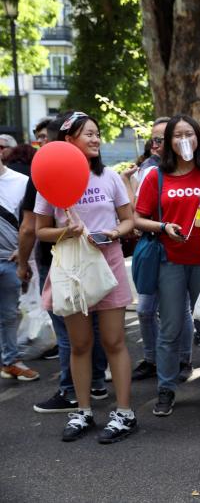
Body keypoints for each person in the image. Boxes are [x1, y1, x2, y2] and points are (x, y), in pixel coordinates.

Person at [35, 111, 137, 443]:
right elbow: (41, 231)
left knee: (113, 341)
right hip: (71, 270)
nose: (94, 139)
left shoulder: (109, 177)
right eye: (87, 134)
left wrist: (112, 231)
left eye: (96, 133)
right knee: (79, 344)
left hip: (108, 266)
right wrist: (66, 232)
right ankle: (83, 411)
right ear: (69, 141)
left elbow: (128, 221)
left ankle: (124, 412)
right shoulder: (49, 178)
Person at [134, 114, 200, 417]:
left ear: (198, 138)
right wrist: (162, 226)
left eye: (190, 133)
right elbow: (137, 218)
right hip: (170, 261)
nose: (184, 139)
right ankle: (166, 389)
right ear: (167, 141)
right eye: (177, 135)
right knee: (170, 329)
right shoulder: (155, 176)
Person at [22, 115, 109, 413]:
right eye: (40, 140)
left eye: (46, 138)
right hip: (58, 263)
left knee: (82, 335)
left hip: (90, 263)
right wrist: (64, 233)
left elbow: (123, 216)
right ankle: (83, 388)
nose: (44, 145)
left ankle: (76, 388)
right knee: (75, 335)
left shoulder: (102, 176)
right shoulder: (45, 173)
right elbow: (36, 227)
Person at [124, 117, 194, 383]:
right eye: (153, 139)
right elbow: (134, 212)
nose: (157, 144)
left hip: (177, 251)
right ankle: (152, 359)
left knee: (179, 311)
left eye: (163, 139)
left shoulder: (190, 171)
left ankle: (183, 360)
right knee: (144, 309)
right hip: (152, 247)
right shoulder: (147, 170)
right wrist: (126, 181)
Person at [1, 151, 39, 382]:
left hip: (8, 259)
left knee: (8, 314)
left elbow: (30, 224)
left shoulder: (21, 182)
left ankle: (10, 361)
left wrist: (23, 253)